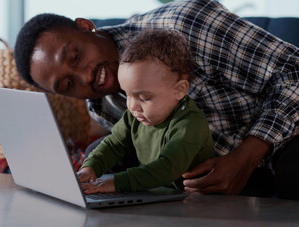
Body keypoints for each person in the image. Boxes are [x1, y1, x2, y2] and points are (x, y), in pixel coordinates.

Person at [14, 0, 299, 202]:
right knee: (98, 159)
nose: (86, 76)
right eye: (68, 84)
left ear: (86, 27)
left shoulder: (183, 25)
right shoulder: (103, 104)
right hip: (217, 165)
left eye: (75, 55)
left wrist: (245, 158)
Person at [76, 29, 215, 193]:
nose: (132, 106)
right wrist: (89, 168)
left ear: (179, 90)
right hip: (155, 194)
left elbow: (166, 169)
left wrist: (115, 183)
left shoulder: (190, 124)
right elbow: (114, 144)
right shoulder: (135, 115)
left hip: (192, 201)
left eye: (144, 98)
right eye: (128, 95)